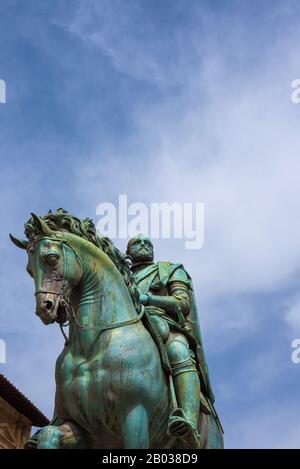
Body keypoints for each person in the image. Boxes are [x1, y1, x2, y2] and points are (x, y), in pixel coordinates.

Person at [126, 234, 214, 448]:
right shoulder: (119, 276)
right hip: (127, 326)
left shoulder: (170, 269)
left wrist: (149, 299)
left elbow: (182, 303)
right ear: (128, 252)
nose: (144, 245)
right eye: (137, 243)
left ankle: (189, 424)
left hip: (164, 324)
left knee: (179, 351)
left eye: (148, 243)